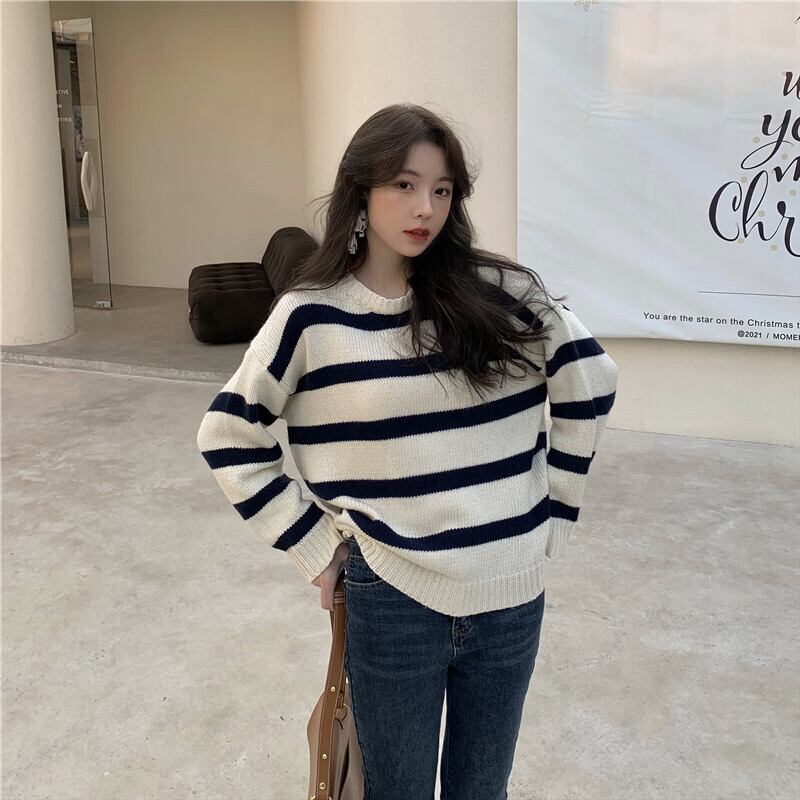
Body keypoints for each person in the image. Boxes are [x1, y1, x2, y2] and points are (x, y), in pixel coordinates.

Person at [196, 103, 618, 799]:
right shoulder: (311, 315)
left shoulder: (503, 294)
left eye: (442, 189)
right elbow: (228, 434)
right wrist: (314, 547)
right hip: (392, 598)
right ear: (361, 191)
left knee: (482, 791)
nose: (425, 208)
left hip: (511, 594)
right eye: (404, 184)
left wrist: (555, 511)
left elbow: (590, 379)